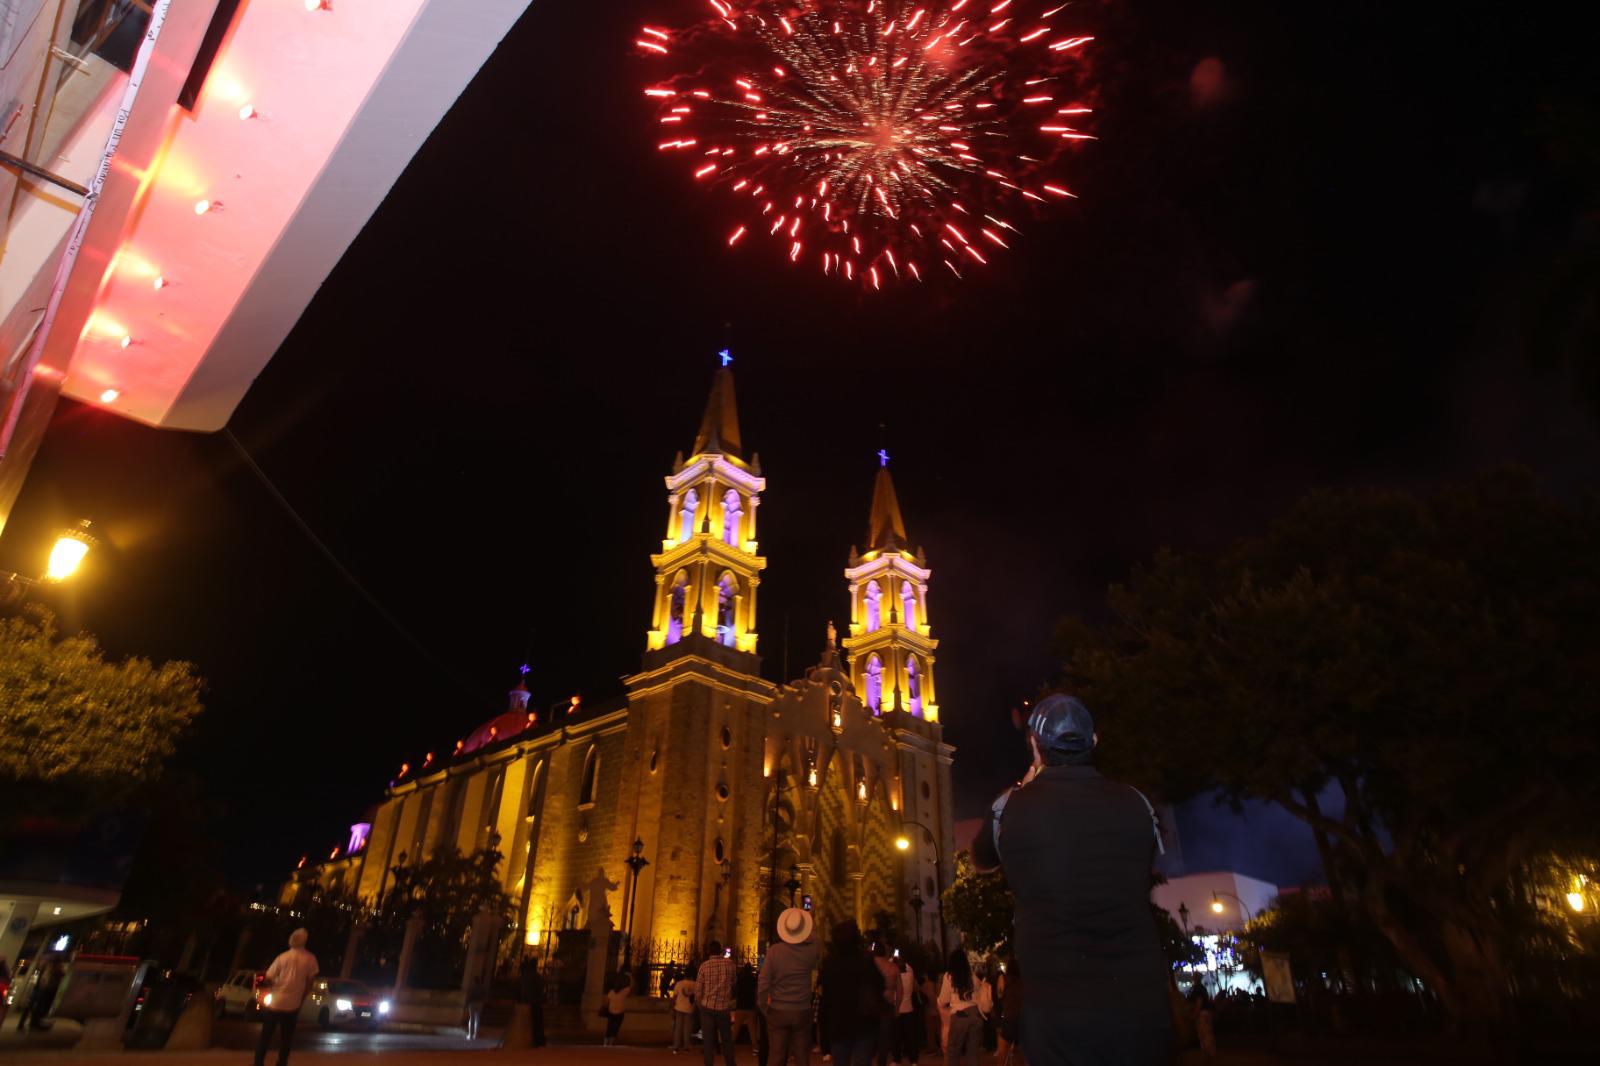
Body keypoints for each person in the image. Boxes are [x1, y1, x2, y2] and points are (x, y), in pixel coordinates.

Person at [973, 694, 1171, 1066]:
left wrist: (1025, 785)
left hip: (1056, 1015)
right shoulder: (1138, 803)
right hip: (1141, 1010)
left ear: (1035, 745)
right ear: (1093, 741)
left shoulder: (1010, 809)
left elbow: (982, 860)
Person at [758, 906, 821, 1066]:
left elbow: (763, 982)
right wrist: (810, 921)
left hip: (778, 1009)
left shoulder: (774, 952)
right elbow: (816, 939)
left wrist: (764, 1006)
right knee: (802, 1057)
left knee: (777, 1056)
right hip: (801, 1010)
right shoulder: (810, 952)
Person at [816, 920, 884, 1066]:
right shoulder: (866, 961)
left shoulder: (830, 963)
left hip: (839, 1023)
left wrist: (824, 1033)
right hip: (863, 1023)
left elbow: (825, 998)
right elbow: (879, 987)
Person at [254, 927, 318, 1066]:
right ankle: (282, 1062)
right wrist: (301, 998)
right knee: (286, 1038)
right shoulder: (310, 958)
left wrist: (274, 984)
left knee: (265, 1036)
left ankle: (258, 1062)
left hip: (276, 1003)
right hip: (293, 1004)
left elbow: (269, 977)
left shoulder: (282, 957)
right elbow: (310, 981)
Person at [936, 951, 990, 1066]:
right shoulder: (972, 975)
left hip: (960, 1016)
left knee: (953, 1053)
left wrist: (939, 1002)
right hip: (976, 1015)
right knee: (972, 1054)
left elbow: (944, 999)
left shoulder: (949, 976)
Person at [698, 941, 738, 1066]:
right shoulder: (730, 964)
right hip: (723, 1007)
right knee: (727, 1040)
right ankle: (730, 1063)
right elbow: (734, 981)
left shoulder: (704, 966)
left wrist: (701, 1004)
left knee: (708, 1042)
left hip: (707, 1007)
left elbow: (698, 990)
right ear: (721, 950)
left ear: (709, 951)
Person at [872, 944, 902, 1066]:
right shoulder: (893, 967)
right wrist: (897, 1007)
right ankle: (881, 1062)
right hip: (887, 1005)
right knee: (884, 1038)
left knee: (868, 1037)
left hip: (872, 1004)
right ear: (885, 953)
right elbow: (900, 991)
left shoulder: (871, 965)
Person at [995, 959, 1023, 1066]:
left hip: (1009, 1018)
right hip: (1022, 1020)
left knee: (1002, 1054)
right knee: (1020, 1055)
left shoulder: (1003, 978)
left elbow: (999, 995)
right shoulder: (1024, 980)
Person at [893, 958, 920, 1065]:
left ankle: (896, 1059)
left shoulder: (896, 978)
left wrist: (894, 959)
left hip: (897, 1010)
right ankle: (913, 1060)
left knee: (896, 1037)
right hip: (909, 1010)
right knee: (910, 1037)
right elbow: (909, 968)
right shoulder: (910, 975)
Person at [520, 957, 547, 1048]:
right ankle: (537, 1041)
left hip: (526, 1001)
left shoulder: (525, 976)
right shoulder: (536, 976)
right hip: (535, 1002)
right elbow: (540, 989)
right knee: (536, 1022)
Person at [672, 969, 699, 1053]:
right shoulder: (695, 985)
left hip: (679, 1007)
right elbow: (697, 998)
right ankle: (686, 1046)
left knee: (678, 1027)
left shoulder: (679, 984)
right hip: (689, 1008)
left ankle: (676, 1046)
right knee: (687, 1028)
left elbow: (675, 996)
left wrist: (672, 1006)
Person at [733, 963, 758, 1051]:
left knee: (735, 1029)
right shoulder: (753, 980)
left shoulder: (740, 980)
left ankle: (729, 1047)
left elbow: (735, 992)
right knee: (752, 1031)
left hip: (740, 1007)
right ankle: (755, 1048)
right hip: (751, 1007)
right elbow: (756, 993)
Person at [604, 973, 629, 1045]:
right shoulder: (624, 992)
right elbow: (631, 985)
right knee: (615, 1028)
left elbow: (606, 1002)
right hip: (620, 1012)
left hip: (611, 1012)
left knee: (609, 1027)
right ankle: (611, 1043)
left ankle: (605, 1043)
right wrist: (628, 974)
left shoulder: (611, 992)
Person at [466, 975, 487, 1040]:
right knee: (477, 1019)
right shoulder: (482, 987)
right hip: (480, 1003)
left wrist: (467, 1003)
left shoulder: (473, 987)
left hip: (472, 1003)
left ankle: (470, 1035)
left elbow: (470, 996)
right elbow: (485, 995)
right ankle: (476, 1035)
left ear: (474, 981)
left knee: (472, 1019)